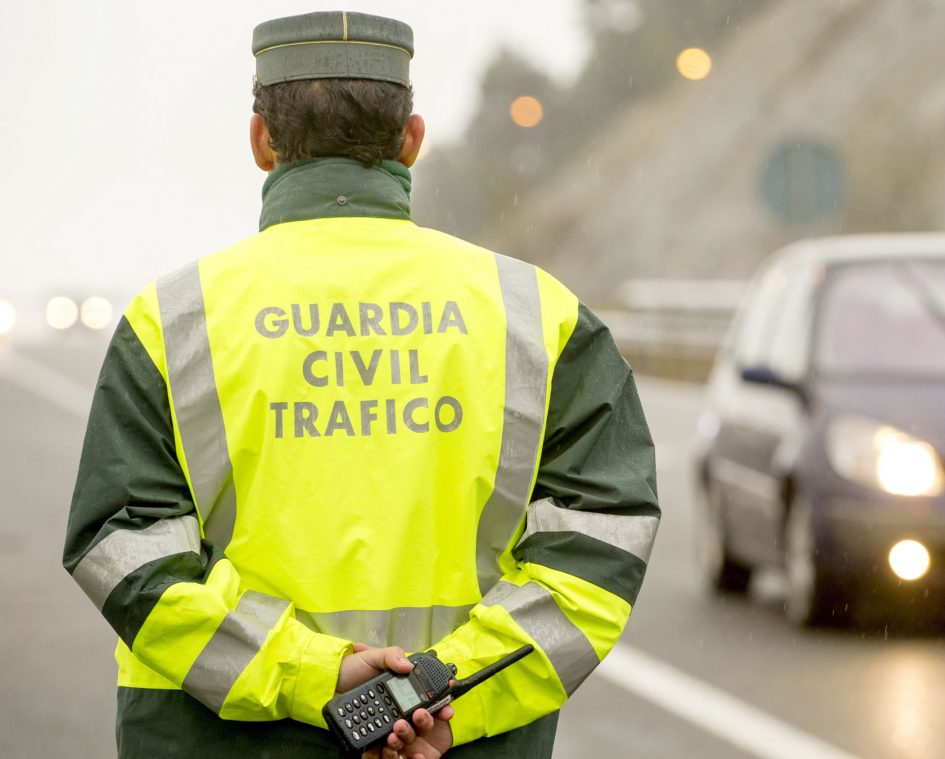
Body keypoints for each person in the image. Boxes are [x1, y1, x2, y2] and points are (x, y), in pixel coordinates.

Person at [62, 11, 659, 759]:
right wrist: (433, 697)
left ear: (260, 143)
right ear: (411, 138)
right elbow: (597, 552)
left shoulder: (172, 321)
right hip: (456, 741)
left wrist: (322, 677)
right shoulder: (538, 317)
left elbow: (126, 556)